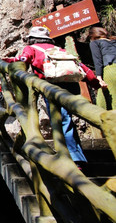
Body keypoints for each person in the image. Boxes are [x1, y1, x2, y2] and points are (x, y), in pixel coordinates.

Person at [6, 26, 100, 169]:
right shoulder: (58, 49)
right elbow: (79, 66)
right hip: (71, 86)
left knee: (62, 120)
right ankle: (76, 155)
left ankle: (74, 159)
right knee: (68, 119)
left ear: (31, 39)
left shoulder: (31, 48)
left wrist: (8, 61)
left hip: (51, 87)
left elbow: (22, 60)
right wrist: (95, 83)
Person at [88, 26, 115, 110]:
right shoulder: (113, 41)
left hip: (110, 71)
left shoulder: (95, 43)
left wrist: (99, 77)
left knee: (112, 98)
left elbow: (98, 60)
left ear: (92, 36)